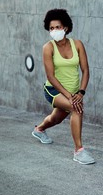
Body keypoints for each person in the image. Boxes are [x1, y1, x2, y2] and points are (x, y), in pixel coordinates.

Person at [32, 9, 95, 165]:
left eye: (57, 27)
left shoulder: (77, 44)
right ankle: (79, 151)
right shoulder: (48, 47)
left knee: (56, 119)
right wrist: (70, 96)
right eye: (51, 28)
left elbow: (86, 70)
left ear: (65, 27)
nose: (54, 31)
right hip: (54, 90)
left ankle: (39, 129)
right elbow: (50, 77)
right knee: (76, 108)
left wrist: (80, 92)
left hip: (74, 92)